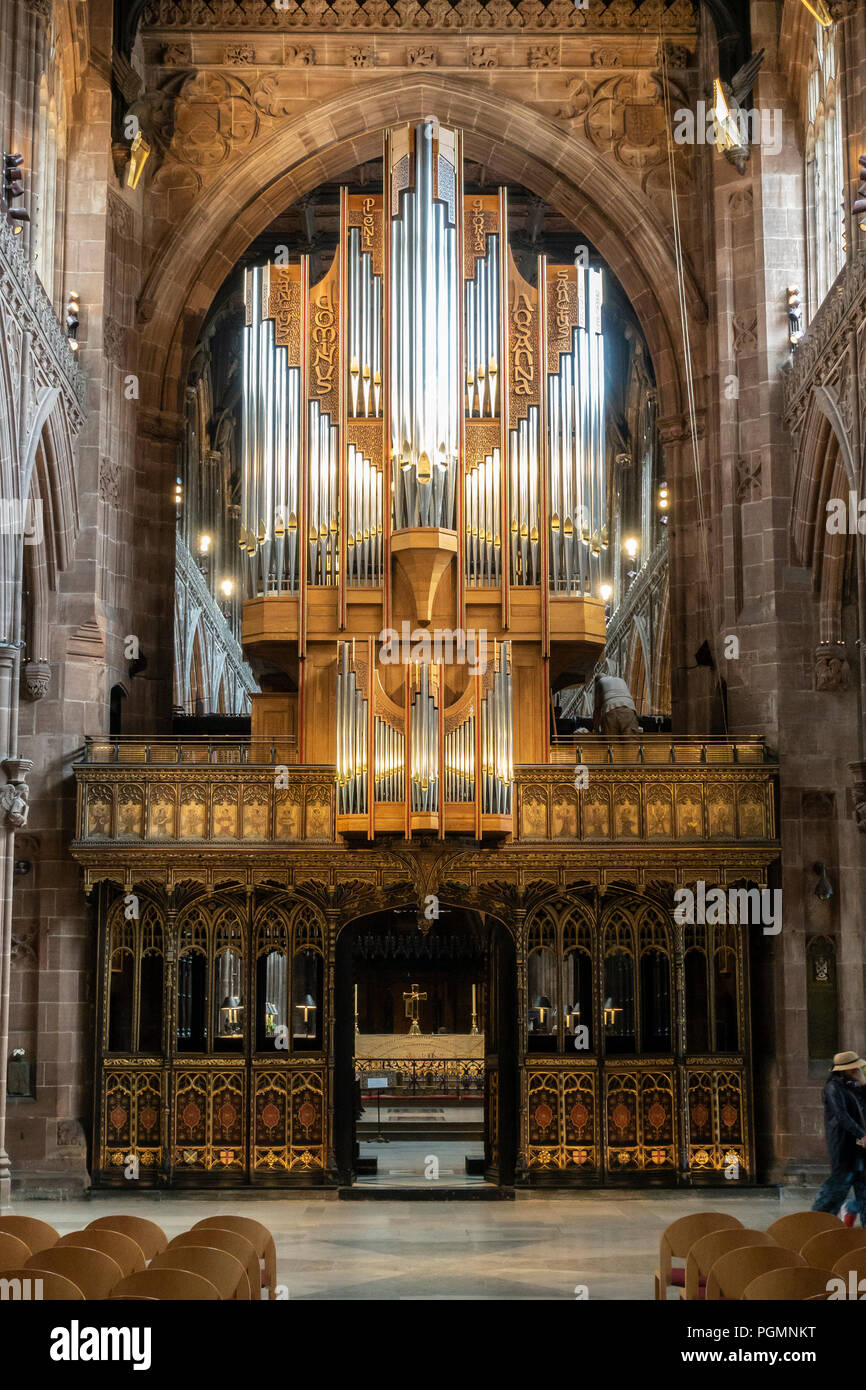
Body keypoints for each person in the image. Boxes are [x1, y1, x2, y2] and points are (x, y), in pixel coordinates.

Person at [811, 1050, 866, 1226]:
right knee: (835, 1192)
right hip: (845, 1147)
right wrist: (861, 1134)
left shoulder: (854, 1086)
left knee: (864, 1191)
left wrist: (864, 1084)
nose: (858, 1069)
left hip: (861, 1148)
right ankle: (815, 1227)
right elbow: (841, 1116)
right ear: (845, 1069)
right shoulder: (833, 1087)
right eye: (855, 1068)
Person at [593, 666, 641, 735]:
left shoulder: (599, 683)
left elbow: (597, 710)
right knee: (631, 740)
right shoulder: (620, 679)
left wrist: (596, 729)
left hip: (611, 710)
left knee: (612, 742)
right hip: (629, 710)